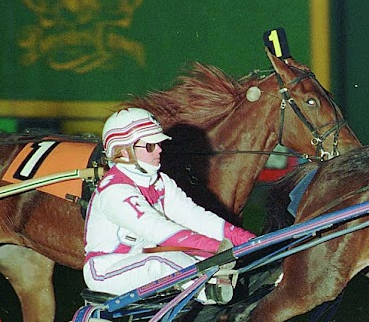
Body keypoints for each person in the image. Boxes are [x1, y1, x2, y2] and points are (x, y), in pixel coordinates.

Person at [83, 108, 255, 301]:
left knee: (196, 257)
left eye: (158, 144)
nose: (159, 149)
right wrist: (218, 249)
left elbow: (196, 218)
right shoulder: (114, 191)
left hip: (138, 261)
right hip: (106, 272)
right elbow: (162, 232)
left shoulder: (160, 181)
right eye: (150, 146)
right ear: (123, 151)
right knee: (165, 262)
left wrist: (249, 240)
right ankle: (209, 293)